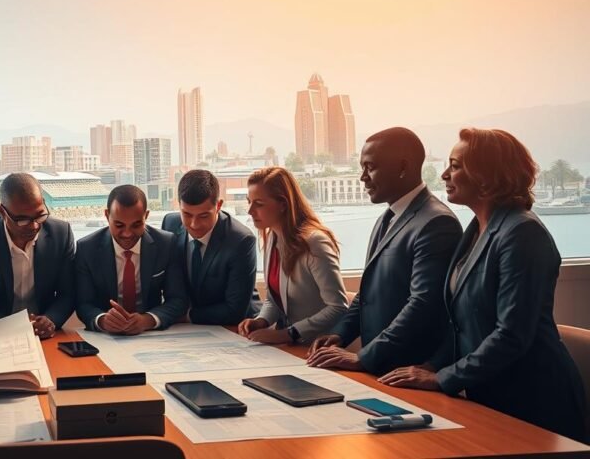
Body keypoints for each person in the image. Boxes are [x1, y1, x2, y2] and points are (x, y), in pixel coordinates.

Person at [378, 128, 585, 441]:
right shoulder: (475, 229)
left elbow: (511, 334)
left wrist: (441, 378)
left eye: (456, 165)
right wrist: (431, 367)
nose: (445, 174)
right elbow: (461, 324)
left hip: (534, 402)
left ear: (488, 175)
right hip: (490, 394)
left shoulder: (522, 233)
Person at [307, 127, 462, 375]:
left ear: (403, 167)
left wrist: (362, 358)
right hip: (380, 369)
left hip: (409, 370)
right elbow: (366, 294)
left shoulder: (436, 223)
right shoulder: (386, 218)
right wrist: (338, 335)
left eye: (370, 167)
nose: (362, 177)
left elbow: (423, 305)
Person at [237, 167, 348, 344]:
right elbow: (275, 299)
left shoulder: (315, 242)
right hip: (288, 347)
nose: (250, 211)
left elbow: (337, 307)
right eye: (249, 202)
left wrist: (288, 334)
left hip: (316, 346)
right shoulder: (272, 236)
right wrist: (261, 321)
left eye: (258, 204)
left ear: (283, 204)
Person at [0, 173, 75, 339]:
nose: (34, 225)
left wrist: (51, 320)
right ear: (2, 211)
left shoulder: (60, 234)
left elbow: (68, 294)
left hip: (41, 334)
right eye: (22, 220)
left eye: (40, 214)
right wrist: (15, 326)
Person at [75, 184, 188, 334]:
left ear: (146, 216)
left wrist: (148, 320)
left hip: (151, 333)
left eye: (136, 225)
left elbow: (178, 300)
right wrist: (102, 320)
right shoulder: (86, 248)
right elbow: (83, 304)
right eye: (119, 225)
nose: (127, 234)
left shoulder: (166, 244)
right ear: (107, 215)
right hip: (108, 337)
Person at [161, 169, 260, 325]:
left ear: (218, 205)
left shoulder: (241, 240)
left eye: (204, 215)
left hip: (236, 326)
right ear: (177, 204)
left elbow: (234, 310)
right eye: (187, 214)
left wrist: (188, 316)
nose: (194, 224)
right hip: (186, 329)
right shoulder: (170, 224)